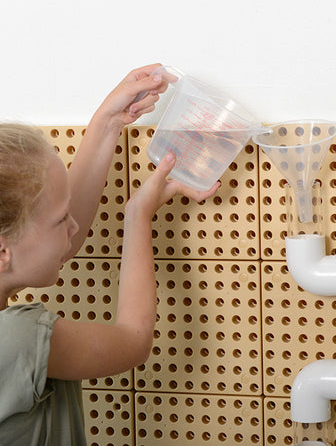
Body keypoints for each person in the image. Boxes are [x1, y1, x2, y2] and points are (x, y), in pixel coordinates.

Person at [0, 64, 220, 445]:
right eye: (61, 220)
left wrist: (108, 122)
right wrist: (138, 214)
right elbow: (134, 340)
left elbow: (54, 241)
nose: (73, 227)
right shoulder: (19, 339)